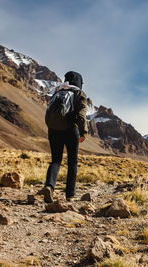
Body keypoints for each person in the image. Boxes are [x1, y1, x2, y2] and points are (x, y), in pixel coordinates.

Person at [38, 71, 88, 202]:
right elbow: (82, 115)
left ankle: (49, 186)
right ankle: (70, 194)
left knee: (56, 160)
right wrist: (83, 132)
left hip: (53, 129)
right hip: (71, 129)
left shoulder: (57, 92)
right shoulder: (79, 93)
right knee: (72, 162)